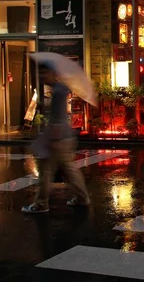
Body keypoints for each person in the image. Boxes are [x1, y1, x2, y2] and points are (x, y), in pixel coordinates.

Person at [22, 63, 90, 214]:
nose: (41, 76)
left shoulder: (58, 92)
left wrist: (50, 139)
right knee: (70, 170)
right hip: (64, 137)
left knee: (46, 172)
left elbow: (57, 118)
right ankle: (82, 198)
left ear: (52, 73)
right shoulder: (59, 89)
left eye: (44, 73)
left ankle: (41, 204)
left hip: (57, 138)